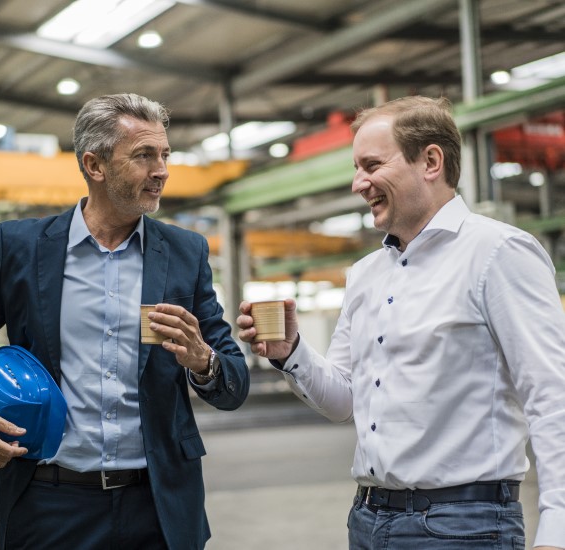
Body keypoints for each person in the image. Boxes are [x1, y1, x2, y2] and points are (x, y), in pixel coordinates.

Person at [0, 92, 250, 550]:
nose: (162, 171)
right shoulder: (22, 248)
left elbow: (233, 382)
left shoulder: (184, 252)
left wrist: (203, 360)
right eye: (144, 155)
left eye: (166, 155)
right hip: (50, 504)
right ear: (95, 166)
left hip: (159, 505)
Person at [237, 96, 565, 550]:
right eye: (356, 168)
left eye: (371, 164)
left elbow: (551, 395)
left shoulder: (498, 253)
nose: (358, 183)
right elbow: (343, 402)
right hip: (369, 520)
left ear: (431, 161)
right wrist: (291, 352)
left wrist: (558, 527)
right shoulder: (367, 274)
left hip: (464, 527)